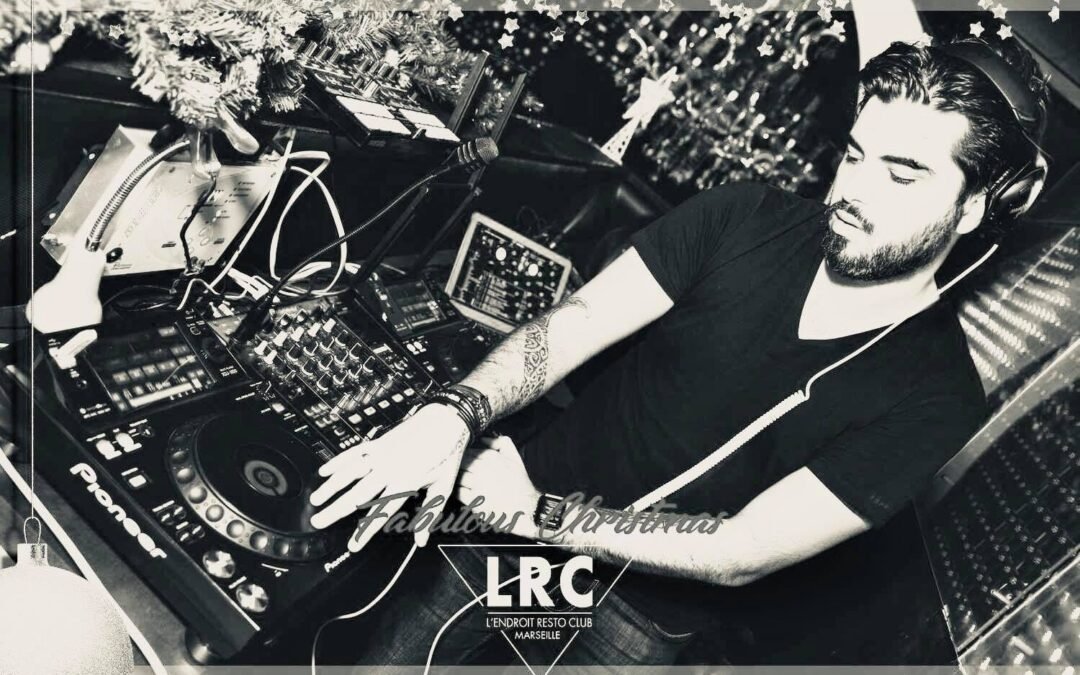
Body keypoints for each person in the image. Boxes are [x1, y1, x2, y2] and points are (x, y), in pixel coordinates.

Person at [308, 2, 1050, 667]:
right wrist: (455, 413)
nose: (853, 191)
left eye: (903, 174)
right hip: (508, 508)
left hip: (637, 614)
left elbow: (743, 550)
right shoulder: (743, 216)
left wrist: (540, 515)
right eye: (854, 155)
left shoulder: (939, 394)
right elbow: (577, 323)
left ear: (976, 208)